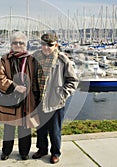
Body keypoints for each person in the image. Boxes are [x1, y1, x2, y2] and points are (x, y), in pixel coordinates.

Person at [32, 32, 78, 164]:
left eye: (50, 45)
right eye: (43, 44)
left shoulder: (62, 60)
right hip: (39, 100)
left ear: (56, 45)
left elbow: (73, 81)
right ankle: (42, 149)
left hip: (56, 102)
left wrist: (62, 94)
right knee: (40, 129)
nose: (46, 47)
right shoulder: (35, 58)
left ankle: (55, 153)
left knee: (55, 130)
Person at [0, 31, 39, 161]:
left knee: (25, 128)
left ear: (26, 44)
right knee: (9, 127)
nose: (18, 45)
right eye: (15, 42)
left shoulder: (32, 60)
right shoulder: (5, 59)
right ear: (11, 44)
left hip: (28, 100)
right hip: (10, 99)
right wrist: (15, 86)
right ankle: (6, 152)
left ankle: (24, 152)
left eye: (21, 42)